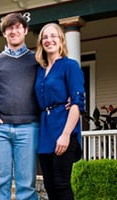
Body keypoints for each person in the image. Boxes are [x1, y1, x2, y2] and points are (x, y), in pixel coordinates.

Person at [0, 13, 40, 200]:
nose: (14, 31)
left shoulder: (37, 60)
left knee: (27, 184)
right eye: (10, 28)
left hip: (29, 127)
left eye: (18, 27)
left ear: (25, 31)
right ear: (4, 33)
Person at [35, 23, 85, 200]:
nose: (49, 40)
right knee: (50, 186)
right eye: (45, 37)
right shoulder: (39, 70)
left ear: (61, 39)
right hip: (45, 131)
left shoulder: (70, 66)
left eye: (53, 36)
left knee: (62, 185)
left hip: (64, 128)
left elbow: (77, 103)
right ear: (41, 42)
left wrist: (66, 134)